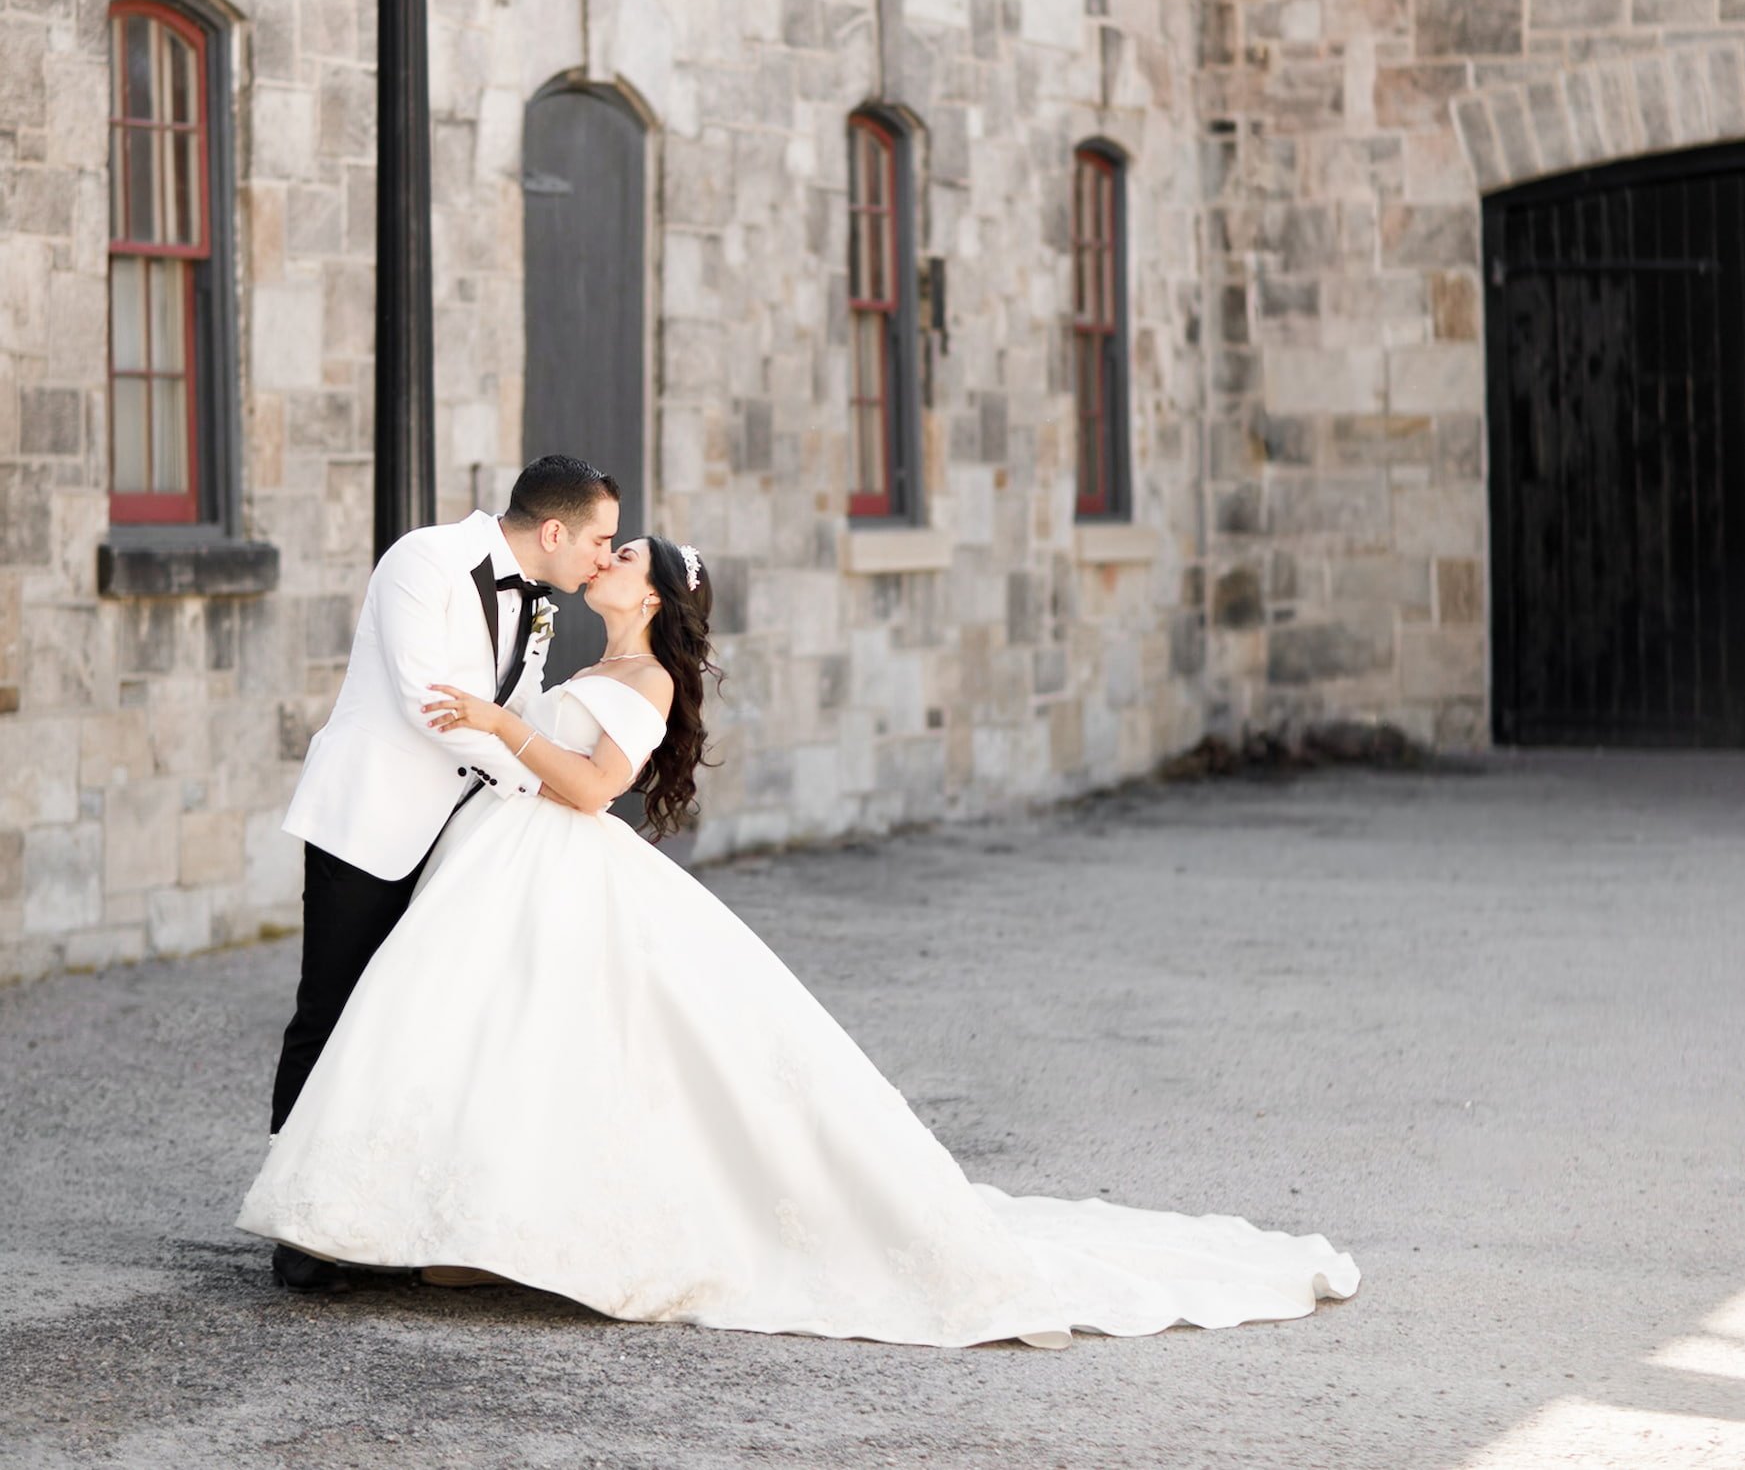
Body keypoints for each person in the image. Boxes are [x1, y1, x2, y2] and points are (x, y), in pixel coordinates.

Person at [241, 532, 1359, 1345]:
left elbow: (588, 787)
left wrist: (494, 723)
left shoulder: (641, 675)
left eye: (622, 553)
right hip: (503, 864)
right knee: (492, 1039)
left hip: (554, 856)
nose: (603, 558)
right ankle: (438, 1217)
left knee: (563, 1042)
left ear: (654, 592)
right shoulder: (588, 659)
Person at [264, 454, 621, 1289]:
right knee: (331, 1007)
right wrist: (541, 781)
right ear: (555, 530)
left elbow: (515, 707)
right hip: (372, 821)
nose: (605, 558)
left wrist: (565, 759)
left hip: (464, 831)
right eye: (600, 541)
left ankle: (374, 1214)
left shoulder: (536, 602)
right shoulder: (423, 561)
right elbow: (432, 704)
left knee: (406, 1021)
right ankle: (295, 1226)